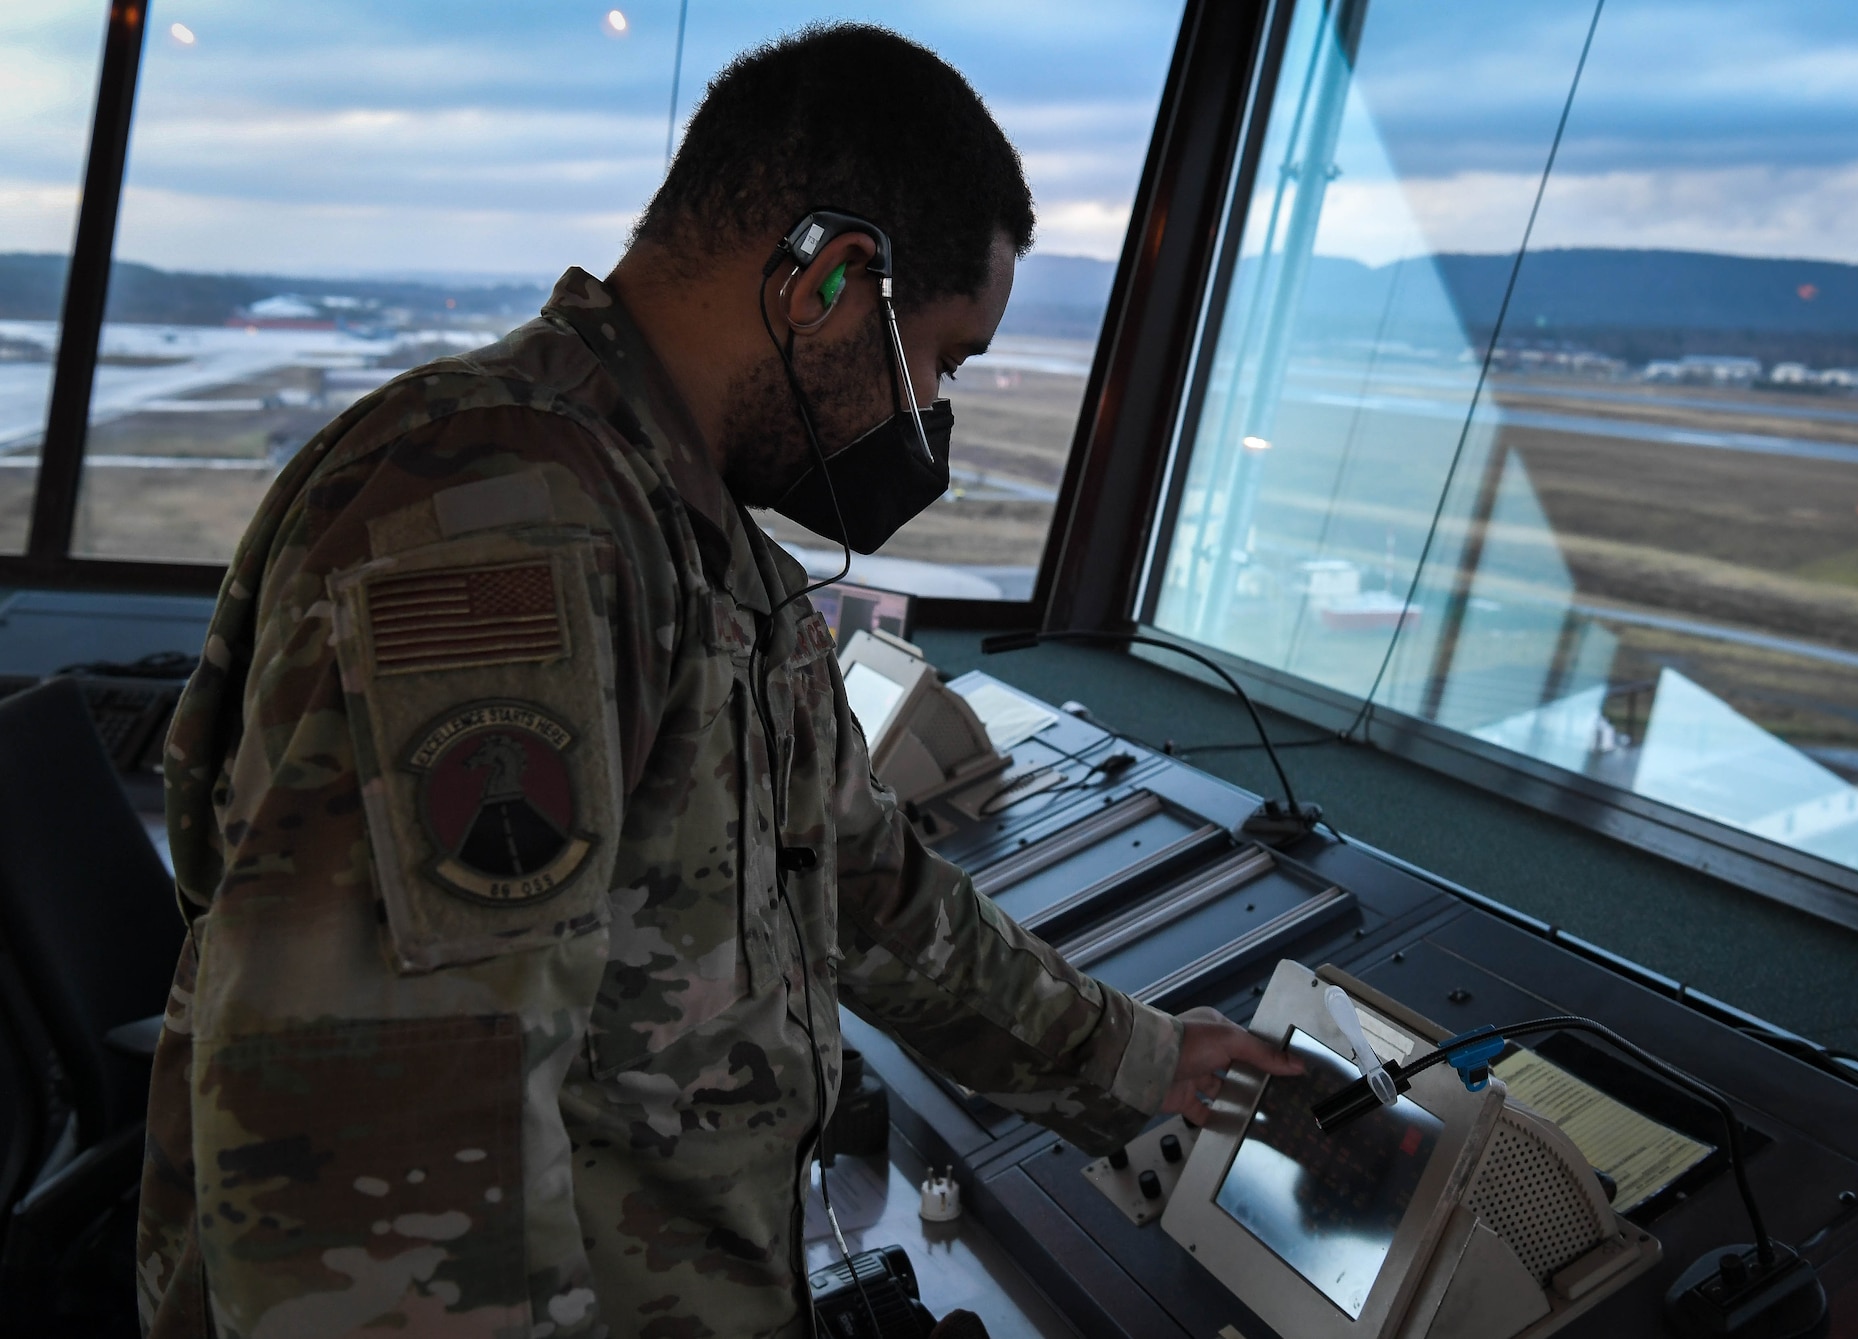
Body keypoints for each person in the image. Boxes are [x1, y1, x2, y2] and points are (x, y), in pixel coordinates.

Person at [137, 24, 1300, 1338]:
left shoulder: (711, 559)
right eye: (942, 359)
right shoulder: (499, 521)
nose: (932, 416)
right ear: (829, 283)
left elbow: (865, 885)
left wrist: (1142, 1060)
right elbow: (382, 1184)